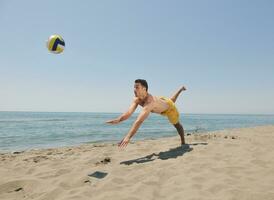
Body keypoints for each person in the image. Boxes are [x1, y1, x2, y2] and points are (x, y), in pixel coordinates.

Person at [106, 79, 186, 148]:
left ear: (144, 89)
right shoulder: (136, 99)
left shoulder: (150, 102)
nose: (134, 89)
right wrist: (119, 119)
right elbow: (129, 112)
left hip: (169, 109)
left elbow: (139, 121)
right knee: (171, 100)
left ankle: (183, 142)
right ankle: (180, 89)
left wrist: (128, 137)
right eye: (134, 87)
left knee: (177, 124)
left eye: (137, 87)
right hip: (161, 101)